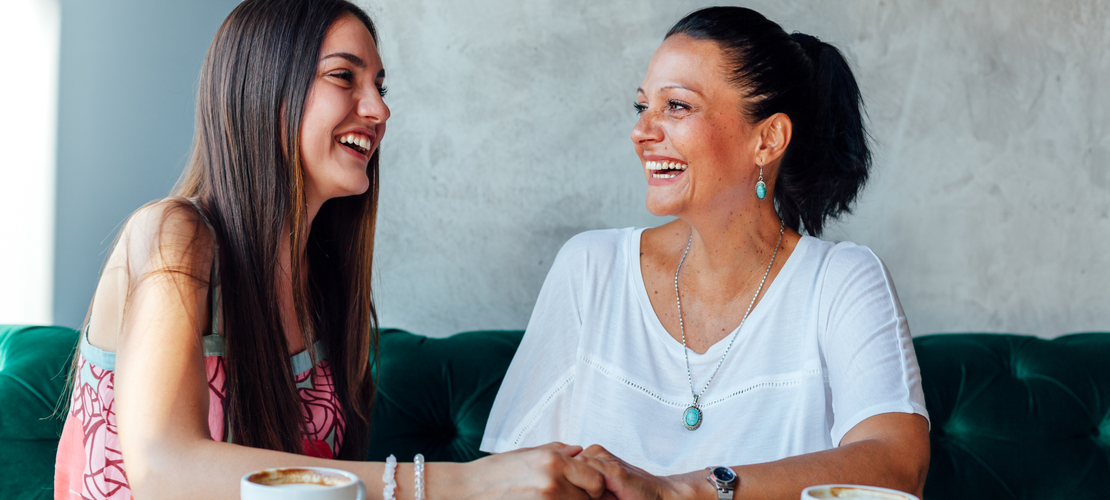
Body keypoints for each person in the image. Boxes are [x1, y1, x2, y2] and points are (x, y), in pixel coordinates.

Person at [53, 1, 607, 499]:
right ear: (263, 90)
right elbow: (162, 471)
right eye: (345, 76)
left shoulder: (320, 283)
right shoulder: (174, 233)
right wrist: (467, 481)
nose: (379, 110)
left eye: (381, 88)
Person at [481, 6, 930, 499]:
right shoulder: (590, 268)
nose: (642, 131)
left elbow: (896, 464)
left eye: (676, 106)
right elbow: (504, 477)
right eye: (642, 107)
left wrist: (682, 491)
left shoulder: (843, 280)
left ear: (768, 139)